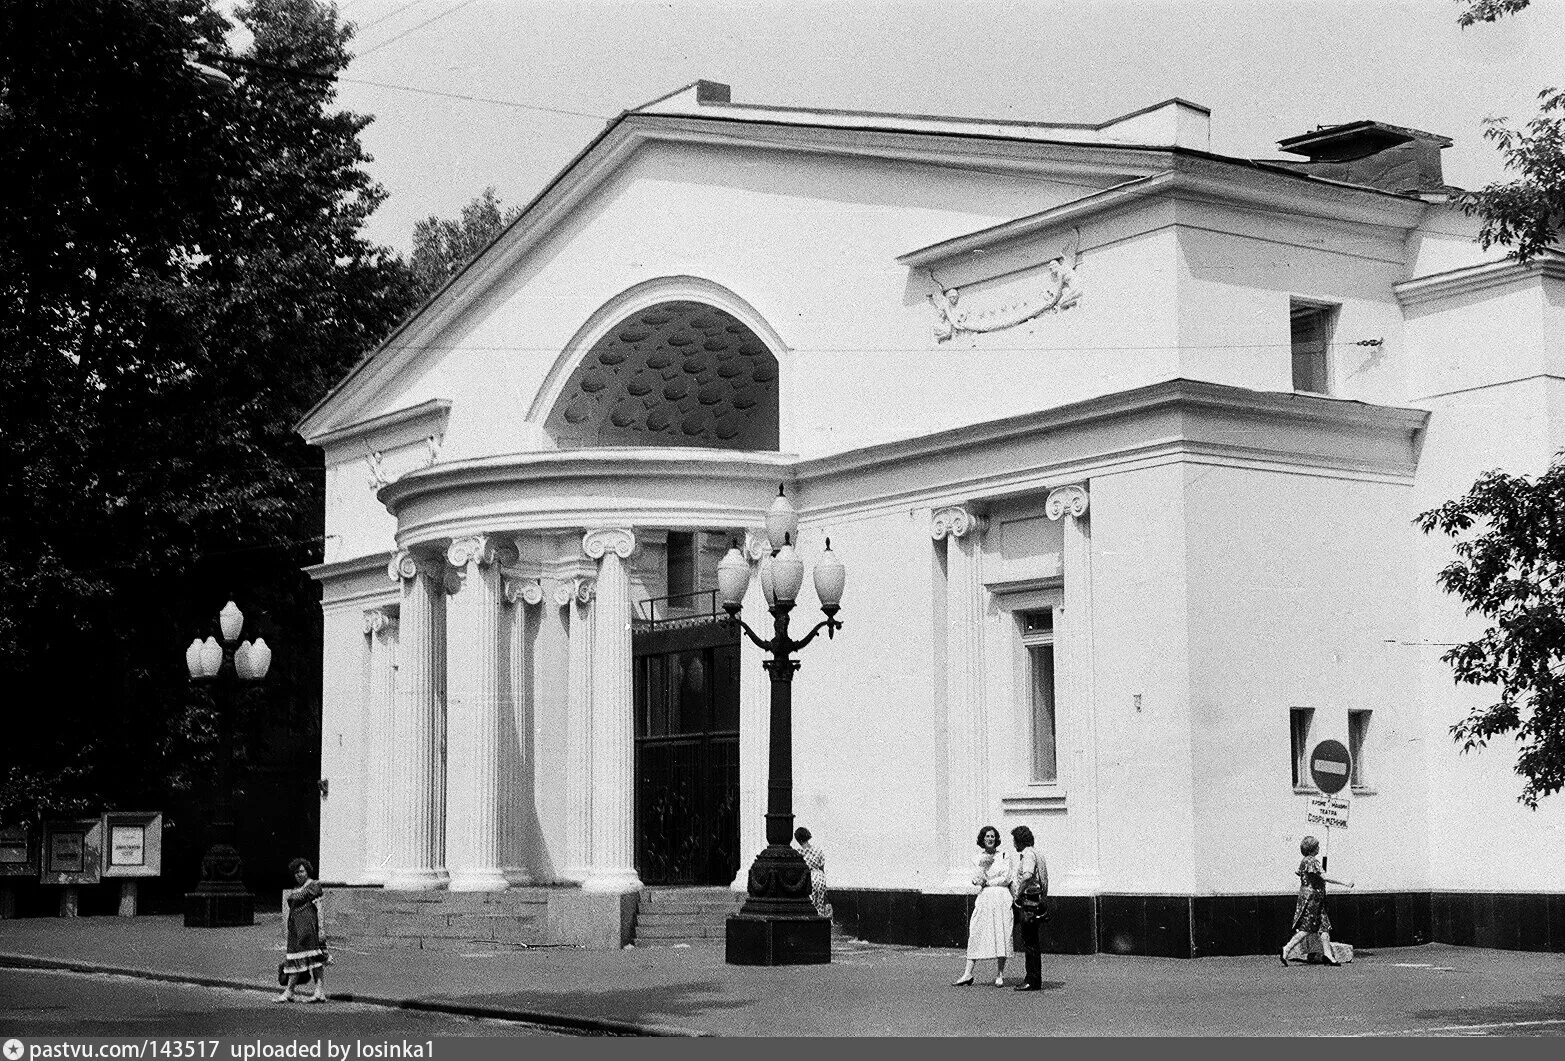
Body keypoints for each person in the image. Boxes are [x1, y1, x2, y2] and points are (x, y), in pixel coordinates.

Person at [953, 825, 1013, 987]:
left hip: (1000, 896)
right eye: (987, 836)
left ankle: (1000, 974)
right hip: (984, 897)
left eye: (993, 836)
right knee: (977, 931)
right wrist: (982, 868)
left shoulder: (1004, 856)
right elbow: (976, 880)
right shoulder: (977, 858)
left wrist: (989, 881)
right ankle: (967, 973)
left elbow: (1006, 877)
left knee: (1001, 932)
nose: (990, 839)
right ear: (982, 839)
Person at [1281, 836, 1354, 967]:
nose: (1319, 848)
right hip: (1313, 900)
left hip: (1313, 899)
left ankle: (1328, 955)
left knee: (1324, 927)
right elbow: (1325, 877)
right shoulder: (1312, 861)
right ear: (1312, 849)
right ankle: (1286, 948)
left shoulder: (1304, 861)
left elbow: (1298, 872)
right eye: (1317, 846)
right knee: (1307, 928)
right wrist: (1345, 883)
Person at [276, 857, 329, 1003]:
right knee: (295, 959)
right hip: (295, 930)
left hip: (309, 929)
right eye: (296, 872)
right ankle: (291, 991)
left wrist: (321, 929)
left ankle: (316, 991)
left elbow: (320, 908)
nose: (299, 875)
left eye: (301, 871)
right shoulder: (295, 889)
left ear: (307, 871)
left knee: (314, 960)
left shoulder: (313, 886)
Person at [1009, 825, 1047, 991]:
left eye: (1014, 840)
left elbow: (1028, 875)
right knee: (1033, 941)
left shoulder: (1028, 855)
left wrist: (1018, 893)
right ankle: (1033, 978)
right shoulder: (1037, 853)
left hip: (1029, 901)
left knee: (1029, 941)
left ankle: (1032, 979)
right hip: (1038, 899)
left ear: (1019, 841)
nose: (1014, 844)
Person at [794, 826, 832, 918]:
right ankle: (821, 920)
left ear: (799, 840)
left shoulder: (798, 852)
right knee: (820, 902)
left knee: (810, 903)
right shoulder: (818, 850)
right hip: (819, 877)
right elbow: (822, 867)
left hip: (808, 878)